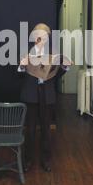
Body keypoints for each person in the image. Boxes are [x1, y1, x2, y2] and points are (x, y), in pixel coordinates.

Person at [18, 23, 70, 172]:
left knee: (46, 130)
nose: (42, 39)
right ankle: (28, 161)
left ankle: (46, 160)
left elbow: (57, 75)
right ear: (35, 38)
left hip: (47, 95)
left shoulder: (53, 55)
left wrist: (65, 66)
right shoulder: (26, 53)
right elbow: (18, 76)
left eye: (45, 36)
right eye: (39, 36)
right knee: (31, 130)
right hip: (31, 95)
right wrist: (22, 66)